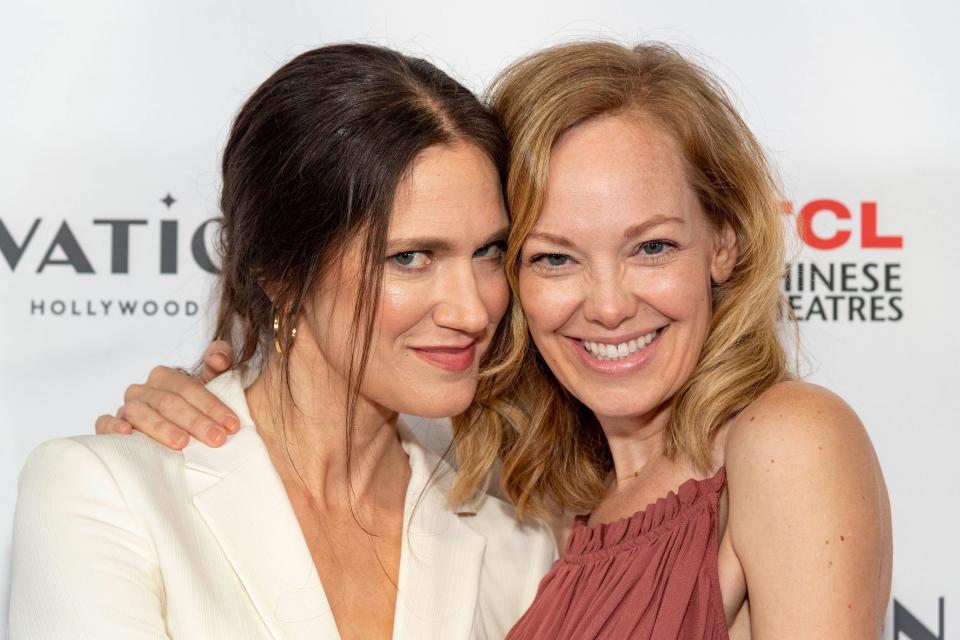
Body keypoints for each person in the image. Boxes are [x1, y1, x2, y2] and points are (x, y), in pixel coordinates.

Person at [94, 41, 893, 639]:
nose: (608, 306)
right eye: (551, 257)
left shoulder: (786, 443)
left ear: (724, 242)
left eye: (652, 247)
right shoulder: (536, 516)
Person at [9, 44, 556, 640]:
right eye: (411, 258)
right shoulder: (104, 494)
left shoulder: (516, 551)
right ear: (280, 271)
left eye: (489, 251)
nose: (474, 309)